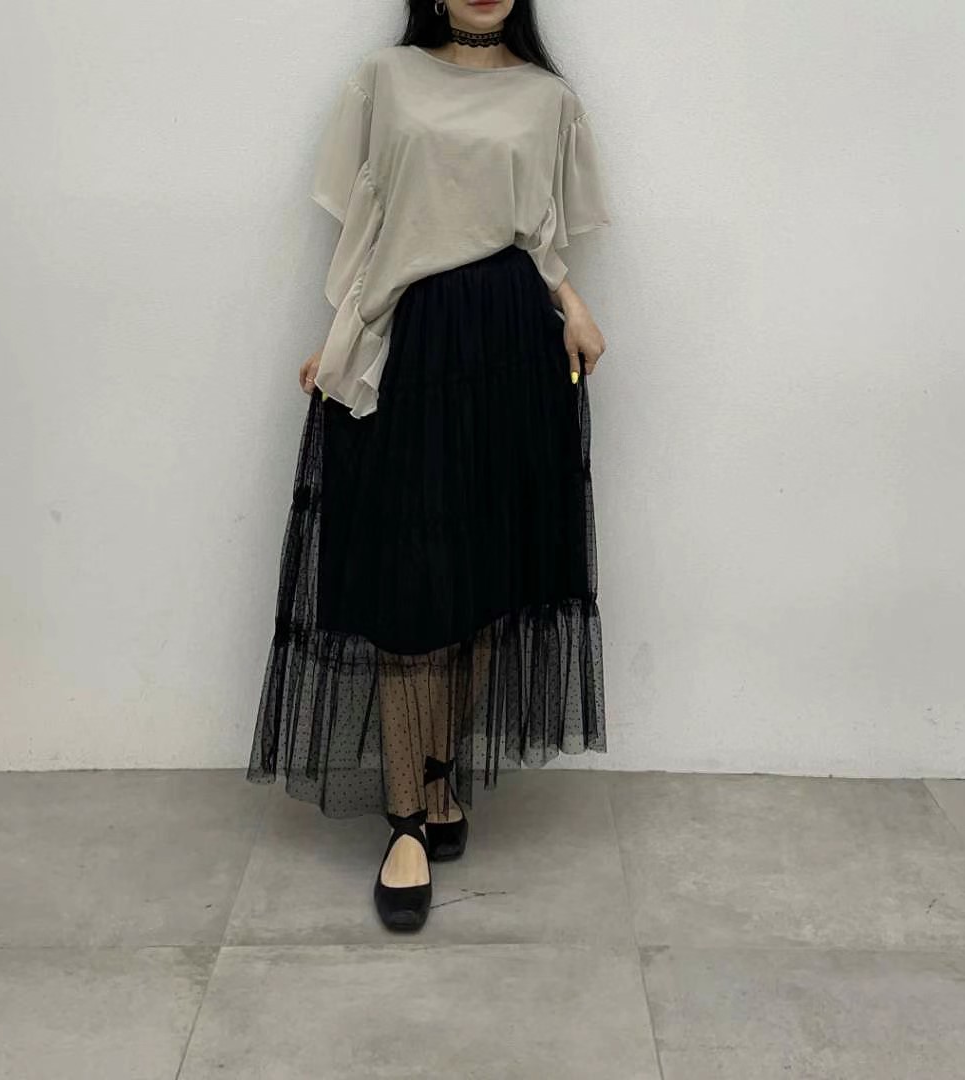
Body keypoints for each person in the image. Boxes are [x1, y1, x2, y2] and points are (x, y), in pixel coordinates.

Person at [247, 0, 611, 932]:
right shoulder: (387, 79)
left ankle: (441, 780)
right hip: (413, 338)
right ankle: (406, 818)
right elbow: (370, 224)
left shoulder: (548, 97)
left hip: (511, 342)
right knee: (410, 585)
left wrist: (572, 305)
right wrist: (339, 339)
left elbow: (537, 235)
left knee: (485, 577)